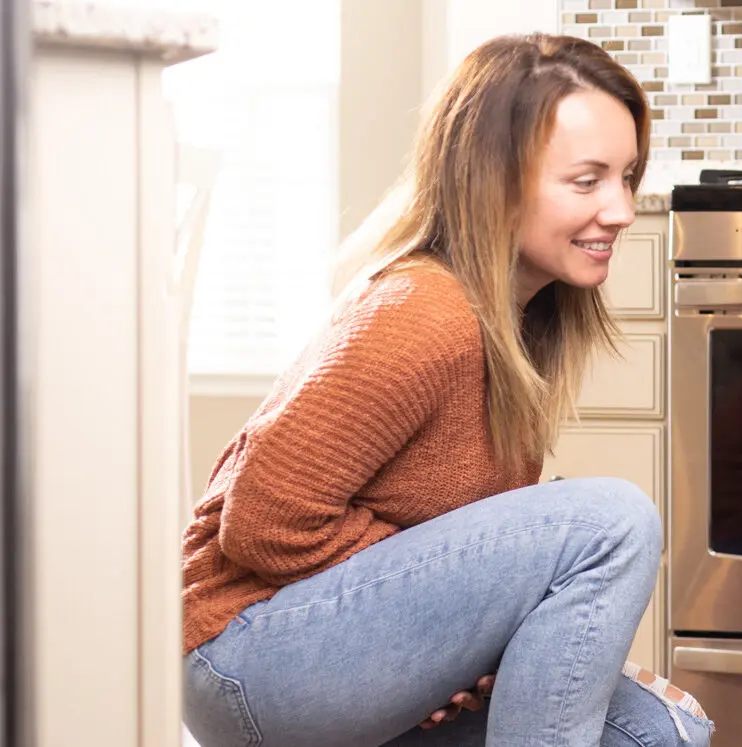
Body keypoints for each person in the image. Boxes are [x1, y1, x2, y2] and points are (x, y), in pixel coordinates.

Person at [179, 34, 713, 747]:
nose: (620, 209)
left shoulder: (518, 324)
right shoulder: (425, 312)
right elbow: (262, 518)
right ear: (494, 181)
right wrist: (442, 619)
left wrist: (448, 628)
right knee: (613, 519)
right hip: (243, 658)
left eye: (627, 176)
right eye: (587, 181)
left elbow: (454, 563)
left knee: (659, 731)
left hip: (326, 647)